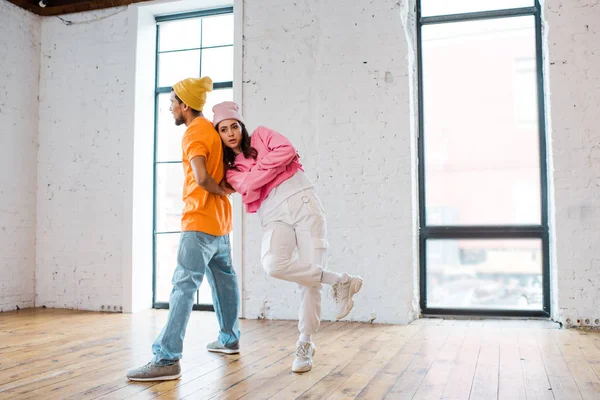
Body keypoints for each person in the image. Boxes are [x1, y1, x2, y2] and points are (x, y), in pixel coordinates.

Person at [212, 101, 363, 373]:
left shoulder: (261, 134)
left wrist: (262, 173)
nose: (231, 132)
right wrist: (278, 167)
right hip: (273, 214)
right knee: (273, 264)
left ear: (241, 126)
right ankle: (341, 281)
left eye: (234, 126)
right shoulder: (231, 169)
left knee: (308, 284)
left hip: (305, 202)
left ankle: (305, 343)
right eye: (224, 129)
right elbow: (247, 184)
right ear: (219, 135)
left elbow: (287, 150)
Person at [126, 77, 240, 382]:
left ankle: (166, 357)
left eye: (173, 102)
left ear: (185, 105)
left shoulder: (193, 133)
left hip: (199, 221)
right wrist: (225, 191)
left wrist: (219, 190)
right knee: (225, 284)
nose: (170, 107)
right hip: (221, 225)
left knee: (183, 288)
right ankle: (230, 339)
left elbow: (202, 178)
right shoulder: (213, 132)